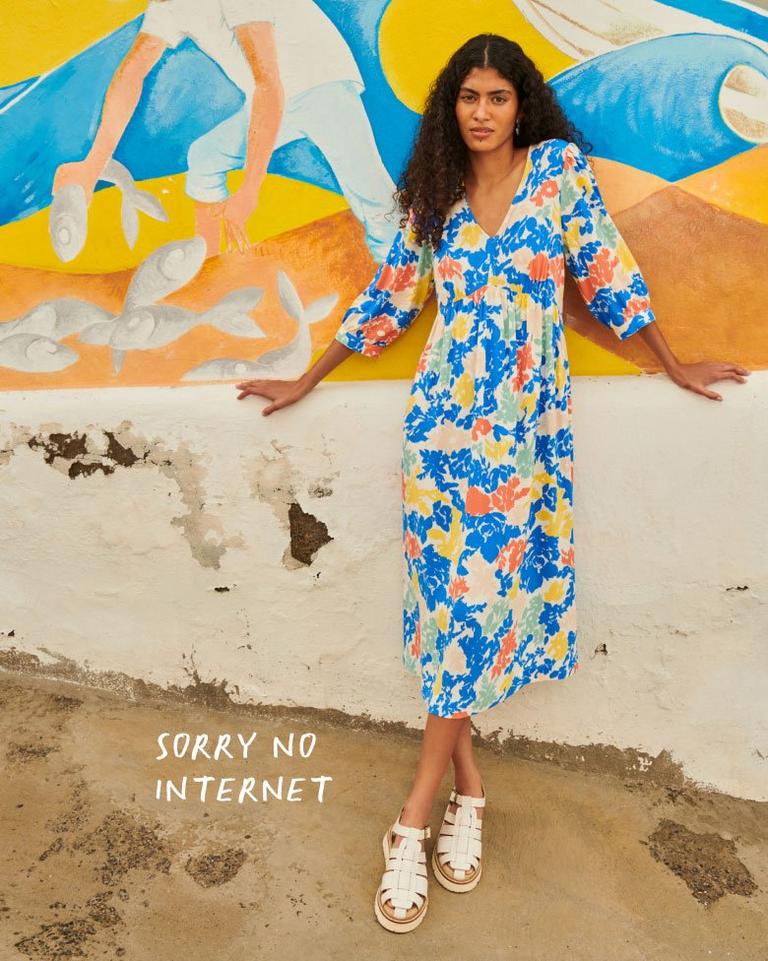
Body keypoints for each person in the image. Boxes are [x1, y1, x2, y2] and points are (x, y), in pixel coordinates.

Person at [234, 34, 751, 933]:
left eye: (497, 97)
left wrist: (672, 364)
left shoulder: (559, 177)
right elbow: (389, 302)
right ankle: (432, 807)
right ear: (452, 107)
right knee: (455, 615)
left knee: (472, 615)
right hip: (442, 434)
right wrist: (303, 379)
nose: (480, 112)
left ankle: (448, 799)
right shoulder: (434, 197)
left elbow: (606, 282)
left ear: (522, 107)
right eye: (467, 96)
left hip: (526, 439)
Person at [53, 0, 398, 262]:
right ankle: (209, 265)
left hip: (321, 83)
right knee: (204, 158)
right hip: (272, 98)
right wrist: (92, 165)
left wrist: (249, 190)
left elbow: (269, 85)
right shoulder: (169, 5)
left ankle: (404, 289)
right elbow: (132, 73)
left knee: (376, 202)